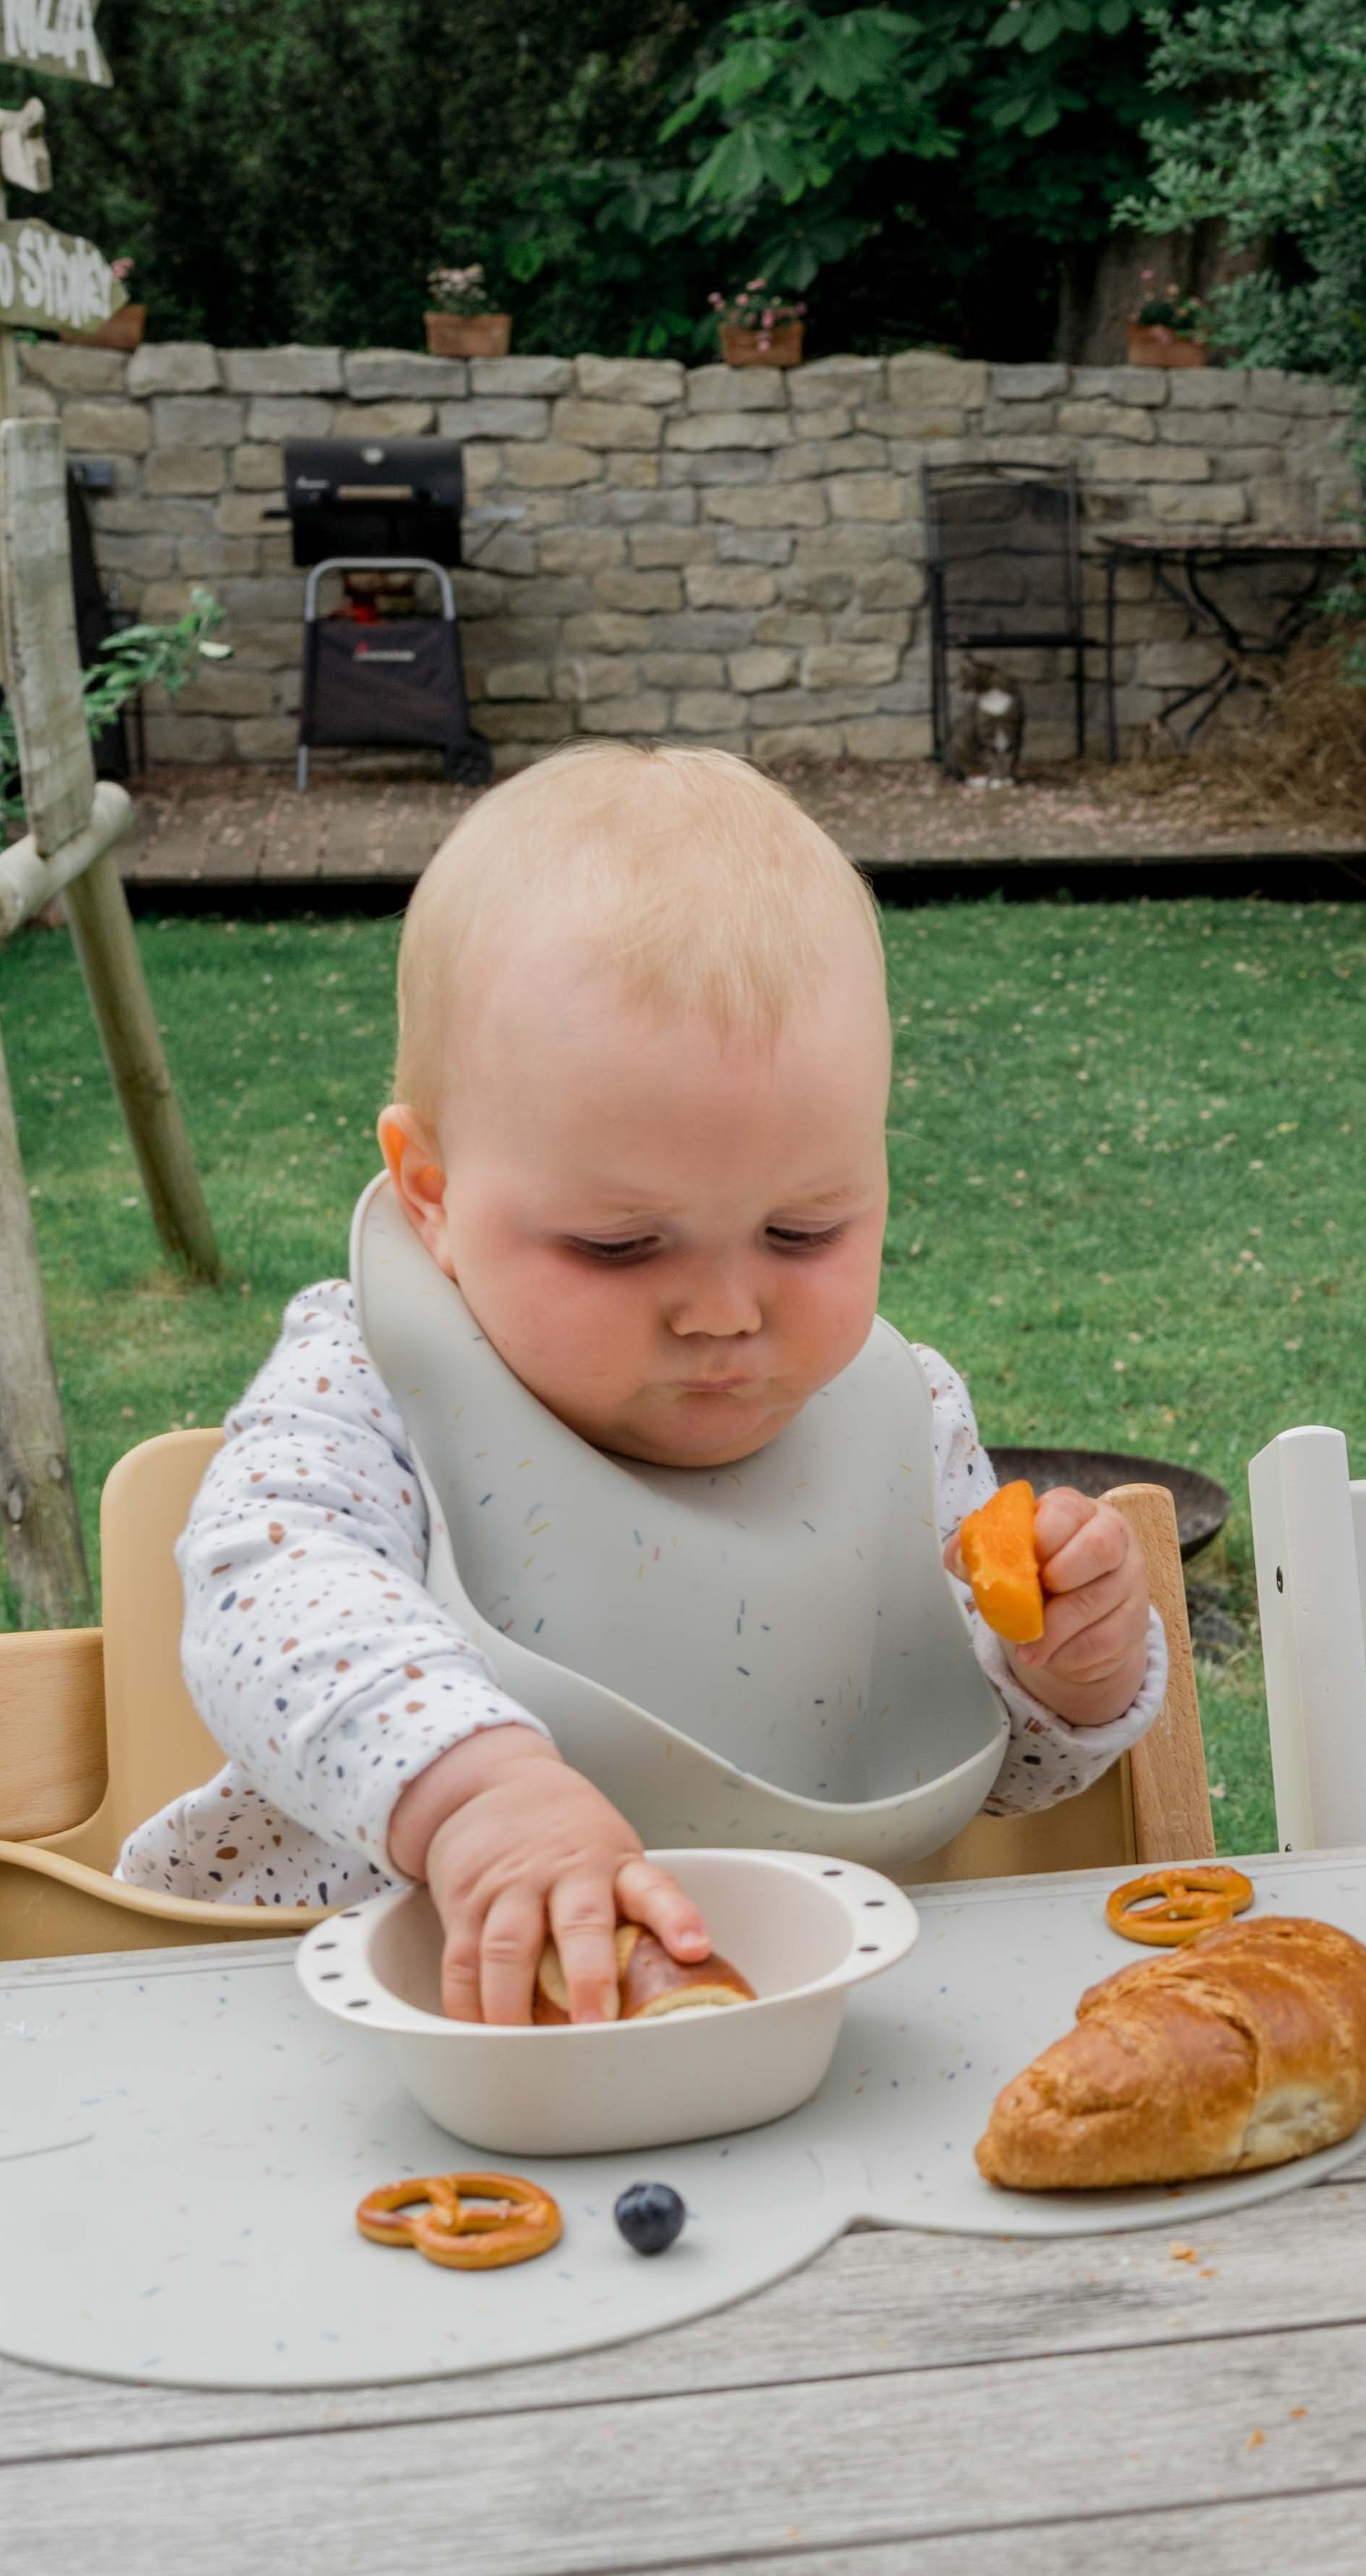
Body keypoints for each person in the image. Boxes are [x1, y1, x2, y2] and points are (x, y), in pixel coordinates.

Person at [114, 746, 1162, 2020]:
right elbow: (269, 1598)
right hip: (375, 2039)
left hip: (793, 2037)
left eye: (804, 1233)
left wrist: (1063, 1684)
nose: (724, 1311)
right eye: (619, 1247)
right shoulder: (368, 1383)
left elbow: (937, 1751)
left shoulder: (900, 1418)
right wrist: (479, 1793)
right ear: (432, 1198)